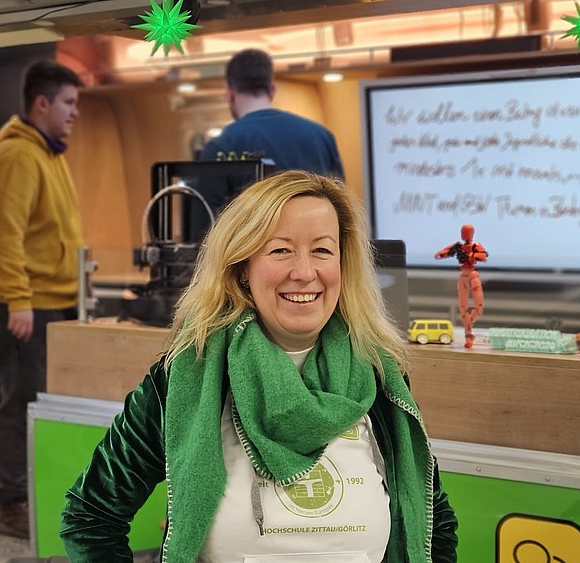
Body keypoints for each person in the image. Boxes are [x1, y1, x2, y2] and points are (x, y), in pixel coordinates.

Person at [61, 171, 458, 562]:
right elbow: (90, 517)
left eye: (322, 250)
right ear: (242, 268)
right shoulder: (187, 377)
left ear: (344, 265)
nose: (304, 272)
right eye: (280, 250)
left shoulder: (379, 376)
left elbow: (432, 522)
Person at [0, 59, 84, 537]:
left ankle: (35, 495)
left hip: (51, 299)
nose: (74, 112)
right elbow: (3, 236)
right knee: (21, 401)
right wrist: (18, 299)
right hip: (25, 301)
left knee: (40, 401)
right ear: (42, 103)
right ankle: (12, 503)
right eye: (68, 102)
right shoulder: (18, 156)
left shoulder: (50, 153)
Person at [190, 49, 345, 238]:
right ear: (272, 90)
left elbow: (203, 231)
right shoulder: (322, 137)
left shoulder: (221, 146)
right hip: (317, 257)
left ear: (229, 93)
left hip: (254, 262)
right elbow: (341, 211)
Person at [434, 224, 488, 349]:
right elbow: (439, 255)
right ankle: (468, 335)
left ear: (472, 234)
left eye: (467, 232)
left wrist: (471, 256)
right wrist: (449, 252)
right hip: (463, 277)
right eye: (463, 232)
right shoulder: (458, 246)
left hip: (473, 276)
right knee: (463, 309)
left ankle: (469, 325)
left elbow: (483, 256)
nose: (464, 235)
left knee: (479, 308)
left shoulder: (475, 246)